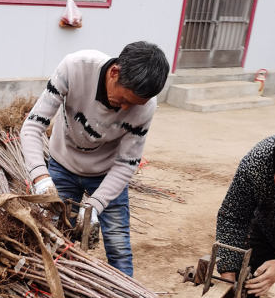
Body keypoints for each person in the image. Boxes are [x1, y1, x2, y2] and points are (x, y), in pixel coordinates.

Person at [20, 42, 170, 276]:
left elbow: (126, 164)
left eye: (133, 105)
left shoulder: (145, 107)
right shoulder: (75, 68)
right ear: (114, 73)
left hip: (107, 174)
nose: (125, 109)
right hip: (63, 166)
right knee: (54, 241)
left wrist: (95, 205)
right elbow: (32, 127)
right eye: (123, 101)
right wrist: (41, 178)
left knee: (119, 249)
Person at [215, 131, 275, 298]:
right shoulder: (258, 161)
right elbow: (233, 216)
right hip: (266, 226)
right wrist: (228, 272)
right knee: (238, 290)